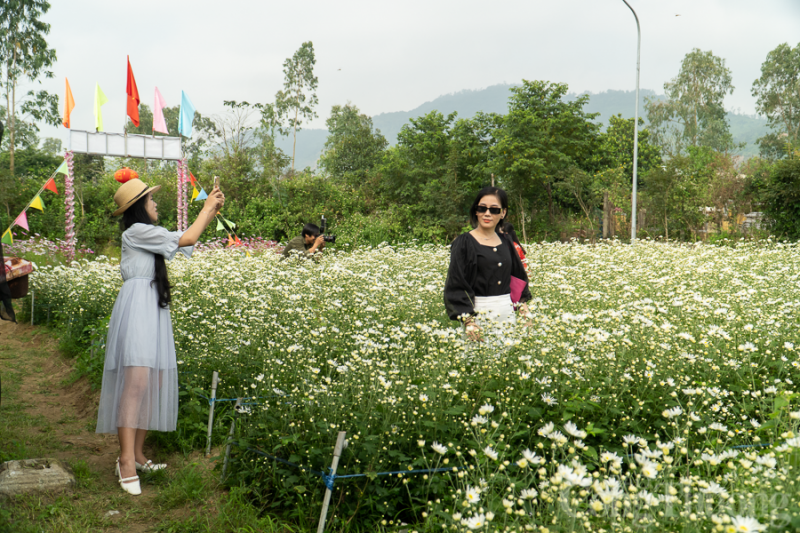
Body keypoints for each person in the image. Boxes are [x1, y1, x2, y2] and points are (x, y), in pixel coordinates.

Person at [96, 177, 224, 495]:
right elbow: (187, 237)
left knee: (153, 380)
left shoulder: (147, 234)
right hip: (138, 310)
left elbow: (186, 238)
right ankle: (125, 460)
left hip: (151, 309)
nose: (156, 203)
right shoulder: (136, 232)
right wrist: (206, 207)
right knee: (137, 382)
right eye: (151, 199)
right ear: (139, 206)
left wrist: (211, 211)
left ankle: (138, 454)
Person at [444, 186, 532, 341]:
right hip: (477, 315)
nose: (487, 213)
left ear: (503, 213)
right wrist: (468, 321)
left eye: (494, 210)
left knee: (507, 354)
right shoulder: (464, 243)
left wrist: (523, 308)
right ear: (476, 211)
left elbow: (517, 277)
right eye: (482, 208)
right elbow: (456, 283)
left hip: (506, 313)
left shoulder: (506, 241)